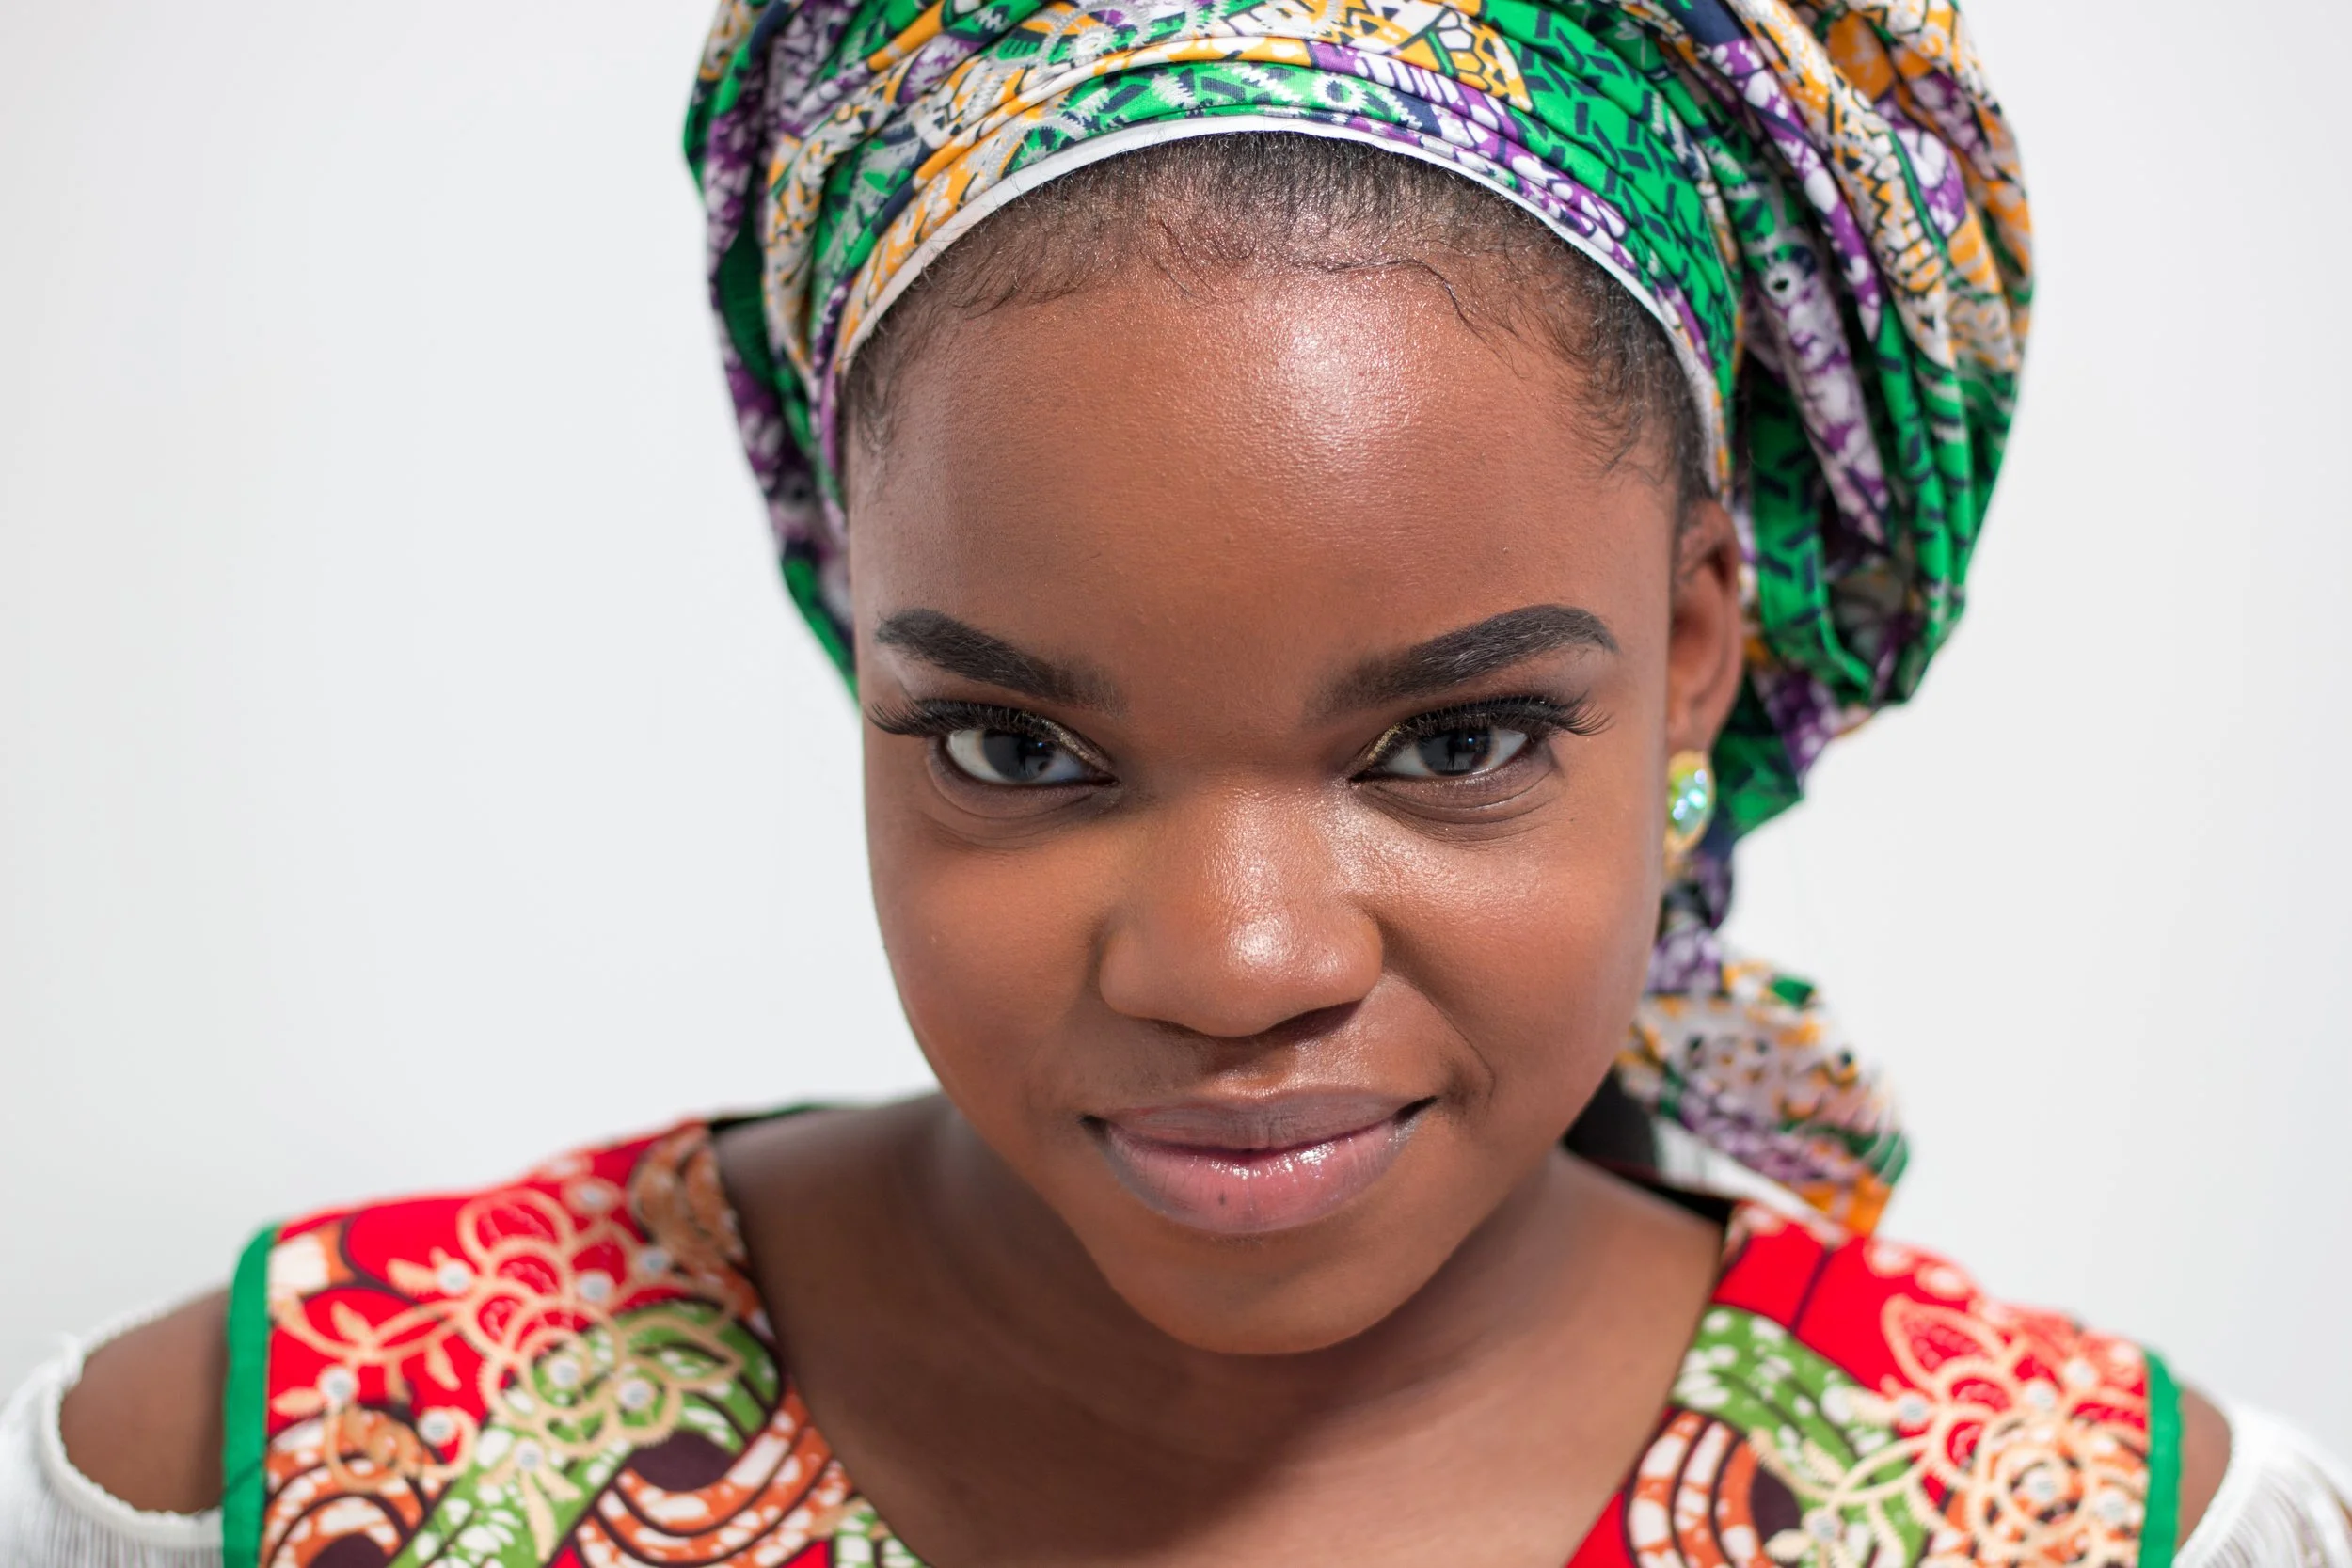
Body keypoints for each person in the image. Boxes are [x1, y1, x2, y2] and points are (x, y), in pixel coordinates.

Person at [4, 0, 2346, 1563]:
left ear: (1696, 648)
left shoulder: (2066, 1517)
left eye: (1451, 741)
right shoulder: (306, 1451)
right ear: (857, 633)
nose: (1236, 961)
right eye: (1019, 744)